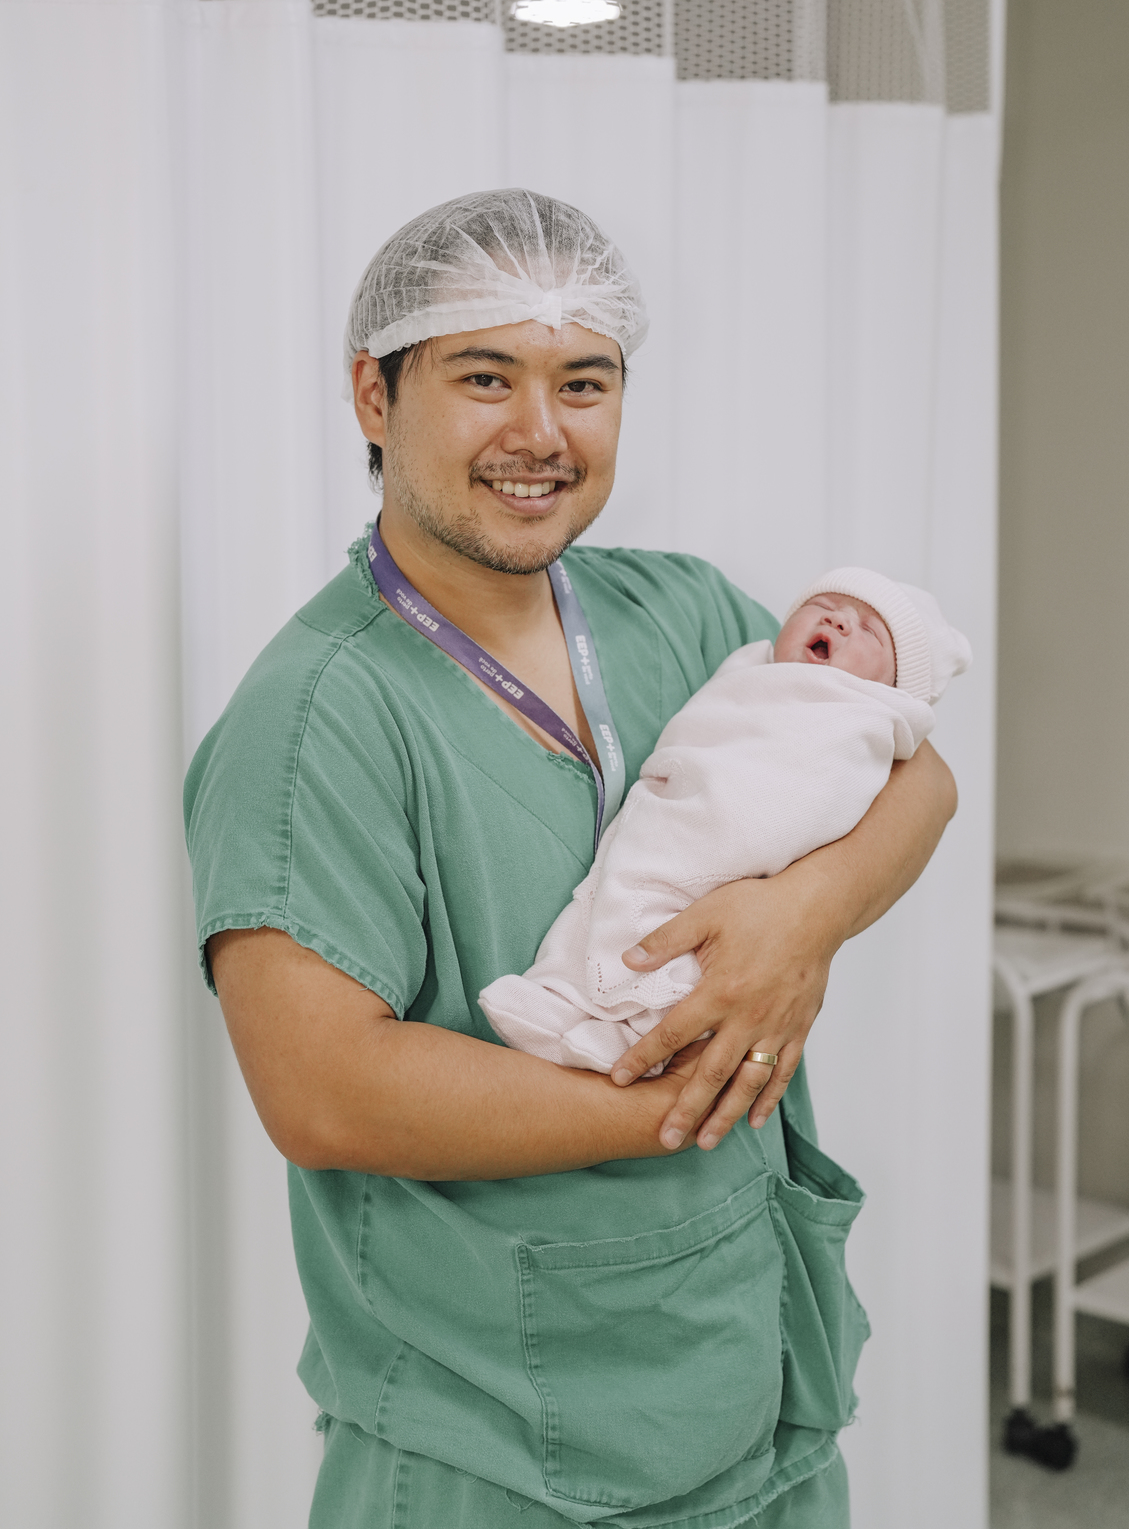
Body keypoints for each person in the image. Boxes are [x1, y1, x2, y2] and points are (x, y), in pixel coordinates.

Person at [184, 189, 958, 1528]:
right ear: (374, 396)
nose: (541, 433)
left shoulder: (683, 610)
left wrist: (805, 924)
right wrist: (700, 1083)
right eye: (485, 377)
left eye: (583, 382)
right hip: (501, 1442)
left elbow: (916, 772)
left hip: (749, 1374)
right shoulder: (316, 718)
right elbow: (325, 1094)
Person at [480, 573, 971, 1072]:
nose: (838, 619)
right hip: (675, 807)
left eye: (869, 630)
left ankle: (638, 1033)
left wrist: (810, 912)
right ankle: (559, 994)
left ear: (895, 690)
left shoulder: (864, 714)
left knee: (670, 922)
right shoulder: (756, 661)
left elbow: (932, 783)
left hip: (742, 837)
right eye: (824, 603)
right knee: (607, 891)